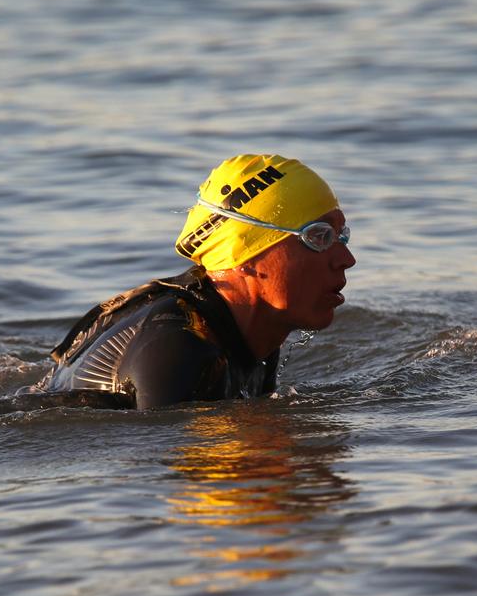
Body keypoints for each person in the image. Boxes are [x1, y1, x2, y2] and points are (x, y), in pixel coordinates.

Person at [38, 154, 356, 409]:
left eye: (342, 236)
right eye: (319, 237)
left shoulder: (253, 329)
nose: (346, 259)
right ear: (244, 254)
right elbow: (154, 468)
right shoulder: (180, 349)